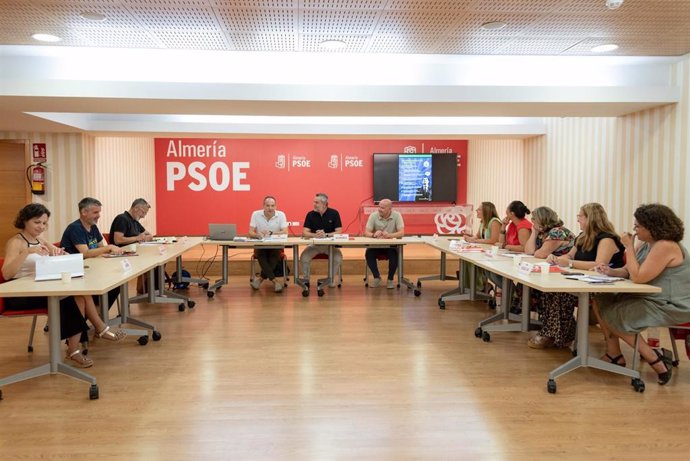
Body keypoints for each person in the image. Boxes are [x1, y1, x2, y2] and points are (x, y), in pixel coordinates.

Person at [1, 204, 125, 369]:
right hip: (20, 294)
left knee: (79, 295)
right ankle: (95, 333)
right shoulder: (16, 242)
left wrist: (61, 254)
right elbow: (7, 274)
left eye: (44, 223)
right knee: (75, 298)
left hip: (40, 288)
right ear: (24, 221)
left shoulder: (41, 240)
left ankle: (75, 349)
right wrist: (27, 253)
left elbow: (59, 254)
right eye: (37, 222)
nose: (41, 227)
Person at [594, 204, 690, 385]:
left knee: (615, 315)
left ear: (653, 228)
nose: (634, 230)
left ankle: (655, 359)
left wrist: (628, 247)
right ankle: (614, 354)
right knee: (601, 299)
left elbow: (638, 278)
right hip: (649, 297)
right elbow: (628, 271)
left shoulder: (665, 246)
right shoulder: (647, 245)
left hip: (670, 303)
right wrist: (610, 271)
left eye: (638, 226)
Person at [523, 206, 577, 348]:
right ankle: (555, 332)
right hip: (556, 272)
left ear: (543, 219)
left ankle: (552, 333)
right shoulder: (544, 233)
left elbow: (539, 254)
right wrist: (534, 233)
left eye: (534, 219)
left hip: (566, 275)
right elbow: (529, 251)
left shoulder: (557, 232)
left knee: (552, 294)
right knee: (533, 289)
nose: (532, 222)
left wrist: (535, 238)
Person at [61, 197, 124, 315]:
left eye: (99, 212)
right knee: (110, 285)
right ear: (84, 212)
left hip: (91, 269)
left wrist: (107, 249)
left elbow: (101, 248)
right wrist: (109, 247)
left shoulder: (93, 226)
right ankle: (94, 319)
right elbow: (85, 253)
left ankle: (96, 317)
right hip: (75, 274)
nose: (99, 215)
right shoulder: (75, 228)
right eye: (95, 212)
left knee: (115, 284)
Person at [547, 202, 625, 271]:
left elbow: (599, 265)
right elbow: (570, 255)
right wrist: (556, 259)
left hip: (605, 283)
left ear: (591, 218)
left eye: (580, 216)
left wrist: (570, 263)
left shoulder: (607, 239)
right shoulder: (582, 236)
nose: (578, 220)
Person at [300, 193, 343, 289]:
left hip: (330, 246)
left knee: (338, 258)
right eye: (314, 202)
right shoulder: (310, 214)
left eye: (316, 202)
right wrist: (316, 235)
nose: (314, 204)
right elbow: (304, 232)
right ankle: (306, 280)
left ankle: (330, 279)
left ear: (325, 204)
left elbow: (339, 231)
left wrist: (326, 235)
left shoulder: (334, 213)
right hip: (314, 245)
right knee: (304, 258)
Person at [248, 195, 288, 292]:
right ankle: (275, 281)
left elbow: (285, 232)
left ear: (276, 206)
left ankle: (260, 279)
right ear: (263, 206)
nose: (270, 208)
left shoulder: (281, 214)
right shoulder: (255, 214)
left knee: (274, 255)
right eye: (268, 205)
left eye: (272, 206)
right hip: (261, 244)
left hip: (275, 245)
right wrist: (257, 235)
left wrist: (271, 233)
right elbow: (250, 232)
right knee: (260, 254)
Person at [364, 198, 405, 289]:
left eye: (382, 208)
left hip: (390, 246)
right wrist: (374, 234)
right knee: (369, 253)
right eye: (379, 207)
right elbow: (366, 232)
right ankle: (376, 277)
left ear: (389, 209)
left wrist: (390, 235)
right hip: (376, 246)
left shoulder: (397, 215)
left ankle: (390, 279)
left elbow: (401, 233)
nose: (379, 209)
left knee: (394, 255)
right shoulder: (373, 215)